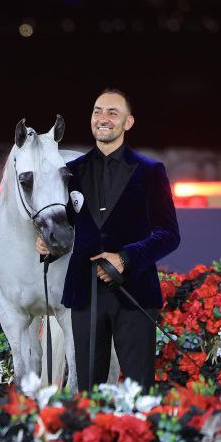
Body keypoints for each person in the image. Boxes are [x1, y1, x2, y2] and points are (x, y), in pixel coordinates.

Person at [39, 89, 179, 391]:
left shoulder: (151, 171)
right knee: (87, 390)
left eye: (112, 113)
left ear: (128, 122)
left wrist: (125, 258)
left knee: (139, 392)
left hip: (134, 292)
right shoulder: (70, 173)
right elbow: (66, 226)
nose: (103, 118)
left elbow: (169, 234)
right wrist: (50, 244)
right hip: (84, 294)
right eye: (97, 111)